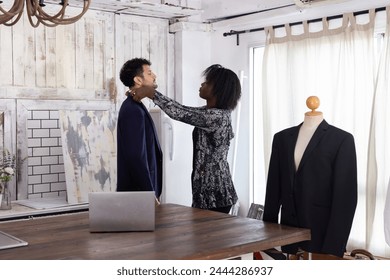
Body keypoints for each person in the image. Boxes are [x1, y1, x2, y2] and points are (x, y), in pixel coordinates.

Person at [132, 64, 241, 214]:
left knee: (206, 236)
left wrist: (152, 93)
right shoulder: (210, 112)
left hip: (216, 196)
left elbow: (179, 112)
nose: (202, 84)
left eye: (207, 82)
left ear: (218, 89)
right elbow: (182, 109)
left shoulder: (217, 117)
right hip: (205, 194)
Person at [263, 96, 358, 258]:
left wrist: (335, 242)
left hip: (321, 230)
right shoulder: (282, 138)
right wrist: (268, 233)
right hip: (288, 228)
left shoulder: (341, 139)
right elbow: (274, 187)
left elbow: (345, 197)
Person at [116, 58, 162, 201]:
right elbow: (136, 156)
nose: (154, 75)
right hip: (138, 193)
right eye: (149, 73)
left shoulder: (135, 106)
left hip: (139, 191)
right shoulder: (132, 110)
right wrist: (148, 193)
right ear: (138, 80)